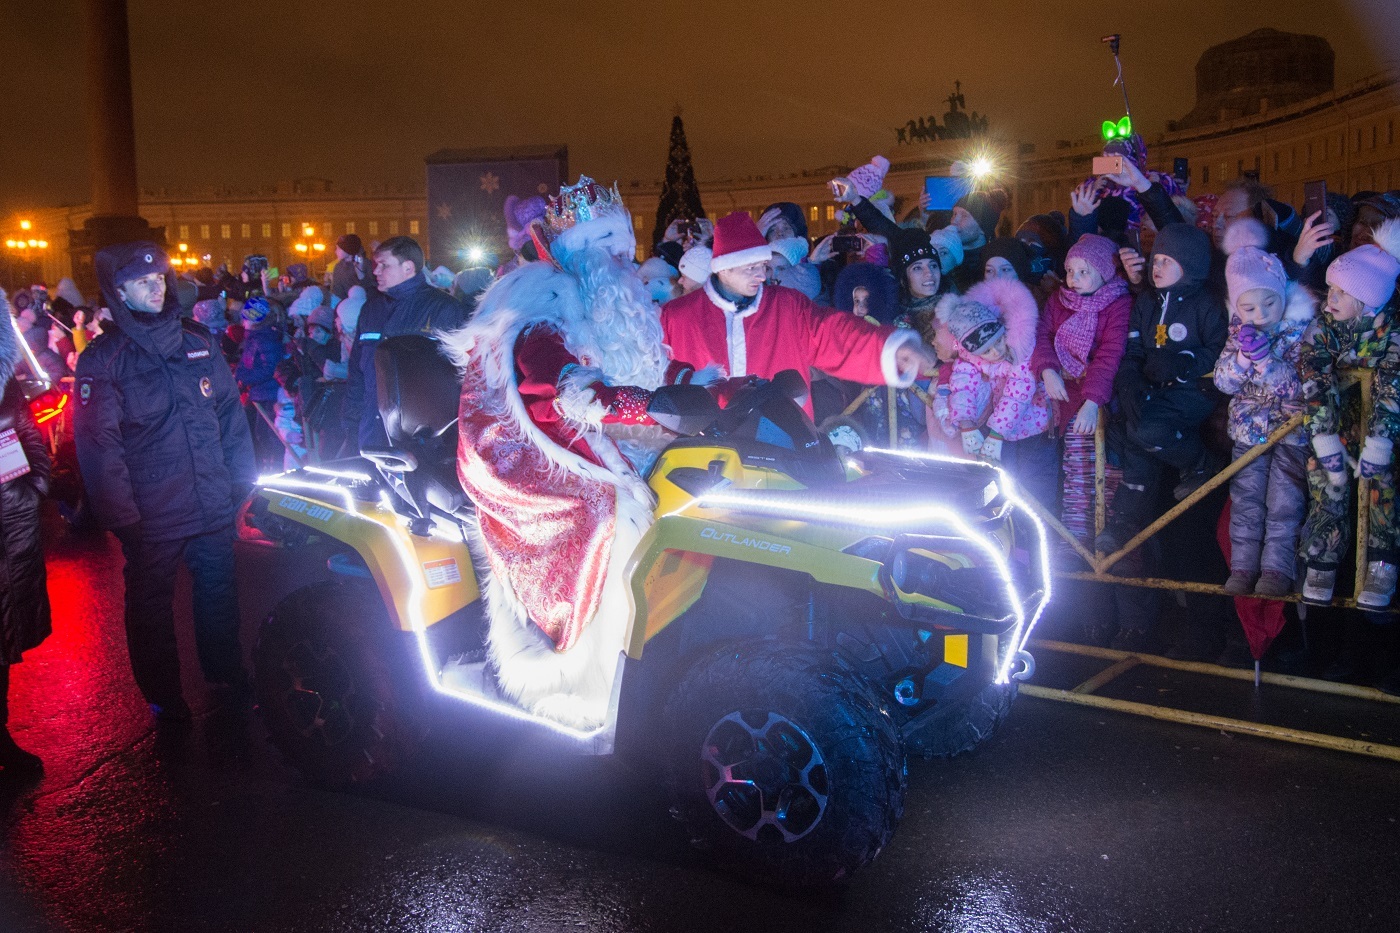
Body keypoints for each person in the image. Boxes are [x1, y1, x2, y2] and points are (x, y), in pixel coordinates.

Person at [445, 177, 718, 729]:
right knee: (606, 515)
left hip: (600, 439)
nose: (626, 259)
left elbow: (644, 369)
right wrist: (646, 406)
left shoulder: (607, 305)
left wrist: (712, 388)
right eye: (610, 251)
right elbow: (555, 388)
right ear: (582, 256)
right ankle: (577, 674)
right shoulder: (539, 308)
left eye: (626, 248)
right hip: (531, 459)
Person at [73, 242, 256, 722]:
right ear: (120, 292)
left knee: (217, 589)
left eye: (161, 280)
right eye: (143, 282)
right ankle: (164, 695)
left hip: (211, 498)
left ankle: (224, 669)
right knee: (152, 605)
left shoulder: (197, 340)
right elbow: (98, 446)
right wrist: (121, 516)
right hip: (152, 511)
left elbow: (229, 418)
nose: (157, 289)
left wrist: (242, 482)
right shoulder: (105, 359)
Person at [661, 211, 937, 414]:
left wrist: (891, 349)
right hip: (702, 454)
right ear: (723, 269)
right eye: (750, 268)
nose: (761, 274)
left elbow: (836, 336)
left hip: (784, 448)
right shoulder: (677, 316)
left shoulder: (787, 306)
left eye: (763, 265)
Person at [1100, 223, 1227, 553]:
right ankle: (1124, 521)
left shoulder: (1207, 304)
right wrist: (1128, 381)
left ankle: (1201, 463)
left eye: (1166, 262)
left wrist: (1183, 363)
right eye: (1155, 260)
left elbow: (1217, 347)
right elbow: (1134, 347)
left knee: (1148, 430)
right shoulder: (1147, 302)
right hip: (1154, 390)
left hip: (1193, 390)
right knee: (1130, 434)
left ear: (1190, 265)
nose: (1156, 268)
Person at [1296, 220, 1400, 607]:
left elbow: (1392, 385)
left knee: (1382, 489)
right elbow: (1313, 374)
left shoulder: (1391, 332)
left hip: (1380, 431)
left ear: (1367, 300)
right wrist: (1323, 437)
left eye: (1342, 292)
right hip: (1339, 426)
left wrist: (1380, 443)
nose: (1330, 299)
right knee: (1327, 482)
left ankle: (1382, 564)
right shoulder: (1323, 328)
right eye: (1331, 289)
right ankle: (1322, 558)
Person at [1213, 246, 1316, 598]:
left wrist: (1263, 360)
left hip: (1290, 433)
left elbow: (1297, 386)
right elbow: (1224, 382)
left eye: (1269, 304)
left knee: (1285, 504)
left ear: (1282, 295)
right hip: (1248, 432)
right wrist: (1242, 357)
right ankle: (1242, 568)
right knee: (1246, 501)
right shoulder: (1236, 333)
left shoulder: (1302, 330)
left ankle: (1275, 570)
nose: (1260, 315)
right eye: (1249, 308)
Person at [1031, 234, 1133, 545]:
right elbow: (1043, 335)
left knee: (1109, 468)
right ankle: (1075, 537)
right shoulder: (1058, 300)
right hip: (1065, 394)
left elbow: (1110, 353)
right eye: (1070, 270)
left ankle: (1107, 537)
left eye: (1083, 271)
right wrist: (1047, 370)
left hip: (1106, 397)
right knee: (1076, 467)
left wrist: (1092, 400)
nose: (1073, 279)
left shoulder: (1119, 303)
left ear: (1104, 272)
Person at [937, 278, 1054, 503]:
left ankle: (1043, 533)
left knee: (1035, 485)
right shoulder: (968, 358)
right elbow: (962, 386)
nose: (996, 352)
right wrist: (966, 423)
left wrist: (997, 433)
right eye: (986, 351)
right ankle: (1008, 530)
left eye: (998, 342)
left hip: (1036, 425)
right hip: (1000, 432)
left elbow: (1019, 391)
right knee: (1004, 482)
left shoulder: (1020, 347)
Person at [0, 288, 52, 775]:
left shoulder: (5, 381)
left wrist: (37, 482)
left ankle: (1, 735)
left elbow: (27, 430)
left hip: (12, 517)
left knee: (6, 633)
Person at [331, 234, 364, 301]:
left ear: (348, 250)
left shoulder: (362, 264)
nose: (336, 251)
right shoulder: (338, 267)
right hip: (342, 306)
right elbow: (336, 290)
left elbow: (367, 286)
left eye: (338, 249)